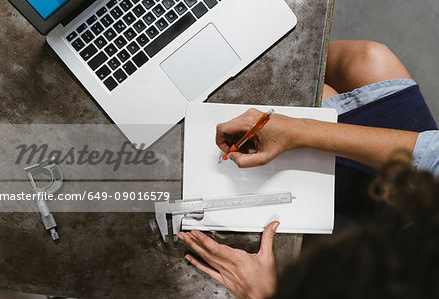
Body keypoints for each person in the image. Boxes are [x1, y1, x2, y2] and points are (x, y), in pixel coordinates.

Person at [178, 40, 439, 298]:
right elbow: (432, 153)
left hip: (381, 271)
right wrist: (298, 129)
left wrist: (262, 294)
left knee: (319, 96)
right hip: (422, 213)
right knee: (370, 58)